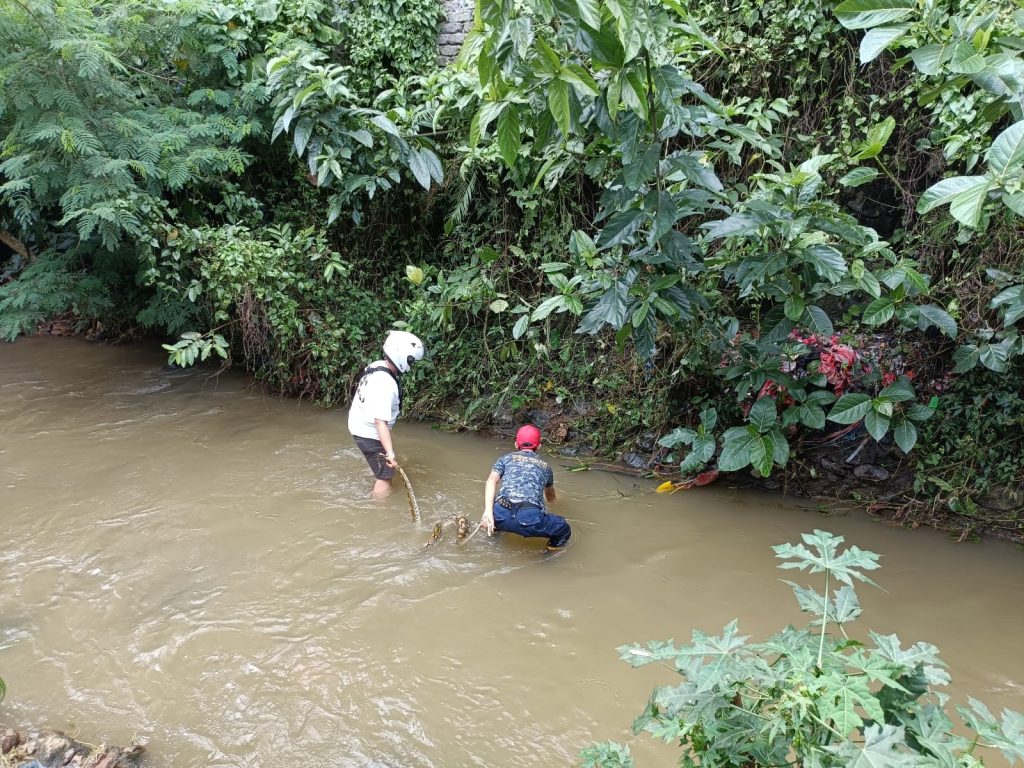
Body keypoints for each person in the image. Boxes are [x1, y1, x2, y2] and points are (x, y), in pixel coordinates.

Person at [348, 330, 426, 497]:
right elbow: (380, 422)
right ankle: (377, 509)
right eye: (411, 361)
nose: (411, 366)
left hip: (358, 422)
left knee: (382, 466)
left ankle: (376, 468)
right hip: (367, 431)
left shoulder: (377, 365)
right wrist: (390, 454)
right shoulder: (386, 384)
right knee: (386, 475)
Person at [481, 425, 571, 551]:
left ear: (516, 444)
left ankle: (495, 534)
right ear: (539, 446)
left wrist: (487, 512)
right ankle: (548, 558)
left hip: (499, 516)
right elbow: (551, 498)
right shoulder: (546, 467)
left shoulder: (505, 459)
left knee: (496, 500)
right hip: (529, 519)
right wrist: (558, 501)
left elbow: (491, 480)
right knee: (563, 528)